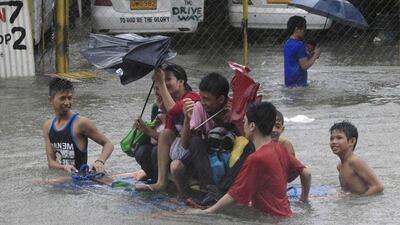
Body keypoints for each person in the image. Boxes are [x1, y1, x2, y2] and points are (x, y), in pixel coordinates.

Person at [191, 102, 311, 217]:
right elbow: (306, 173)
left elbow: (234, 195)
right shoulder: (279, 148)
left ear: (252, 126)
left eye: (245, 122)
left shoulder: (256, 158)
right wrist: (303, 200)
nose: (243, 126)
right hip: (286, 215)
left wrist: (207, 212)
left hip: (270, 220)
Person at [135, 65, 200, 194]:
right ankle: (161, 182)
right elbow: (166, 135)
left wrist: (160, 82)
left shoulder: (191, 97)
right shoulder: (164, 104)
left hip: (196, 145)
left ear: (181, 82)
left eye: (168, 79)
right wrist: (144, 128)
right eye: (162, 81)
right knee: (160, 136)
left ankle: (181, 191)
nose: (163, 84)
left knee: (161, 156)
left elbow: (174, 109)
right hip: (181, 145)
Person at [43, 78, 114, 173]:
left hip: (81, 177)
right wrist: (63, 167)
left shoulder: (81, 123)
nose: (67, 102)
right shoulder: (47, 126)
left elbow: (108, 144)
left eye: (70, 98)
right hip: (63, 176)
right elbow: (51, 163)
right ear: (50, 99)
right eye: (62, 98)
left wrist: (100, 161)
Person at [330, 121, 384, 195]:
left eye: (339, 138)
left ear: (352, 141)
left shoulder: (355, 162)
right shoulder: (339, 166)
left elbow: (378, 186)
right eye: (332, 138)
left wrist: (360, 201)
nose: (333, 142)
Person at [284, 16, 321, 87]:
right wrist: (315, 55)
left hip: (289, 82)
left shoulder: (287, 43)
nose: (305, 31)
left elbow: (297, 59)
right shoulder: (299, 45)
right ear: (297, 29)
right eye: (304, 29)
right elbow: (305, 66)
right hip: (299, 84)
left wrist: (312, 55)